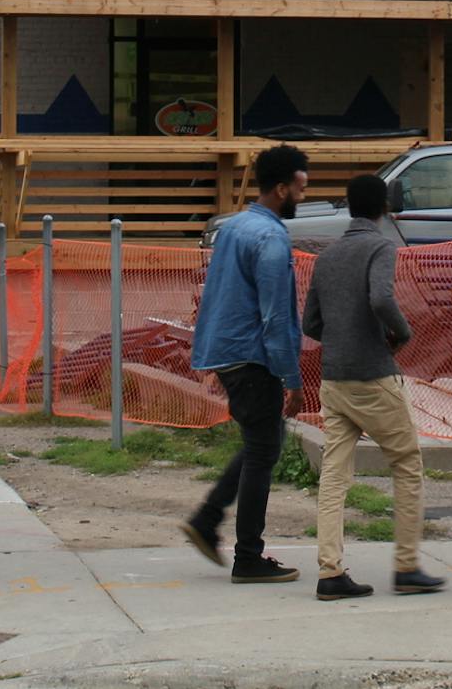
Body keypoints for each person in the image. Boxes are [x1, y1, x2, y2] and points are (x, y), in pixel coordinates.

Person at [302, 173, 444, 600]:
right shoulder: (382, 246)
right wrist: (401, 334)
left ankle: (330, 572)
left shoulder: (327, 256)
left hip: (334, 379)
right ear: (384, 209)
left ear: (348, 207)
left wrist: (341, 338)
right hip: (373, 376)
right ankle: (406, 566)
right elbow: (381, 298)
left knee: (333, 476)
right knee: (406, 464)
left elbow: (310, 322)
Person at [181, 143, 308, 585]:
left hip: (229, 351)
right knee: (263, 448)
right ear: (280, 188)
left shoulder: (235, 227)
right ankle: (245, 555)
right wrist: (292, 378)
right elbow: (274, 316)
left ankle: (209, 519)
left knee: (262, 443)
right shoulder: (271, 238)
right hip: (253, 357)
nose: (303, 196)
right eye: (299, 187)